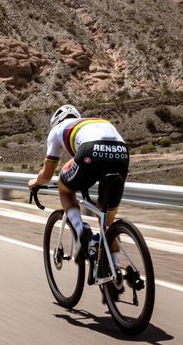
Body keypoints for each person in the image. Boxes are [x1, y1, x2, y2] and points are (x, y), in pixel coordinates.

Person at [28, 105, 130, 266]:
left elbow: (47, 175)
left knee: (65, 187)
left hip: (91, 150)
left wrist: (35, 182)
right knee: (107, 221)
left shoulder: (57, 130)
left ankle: (80, 231)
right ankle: (115, 270)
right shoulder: (94, 122)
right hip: (121, 153)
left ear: (56, 121)